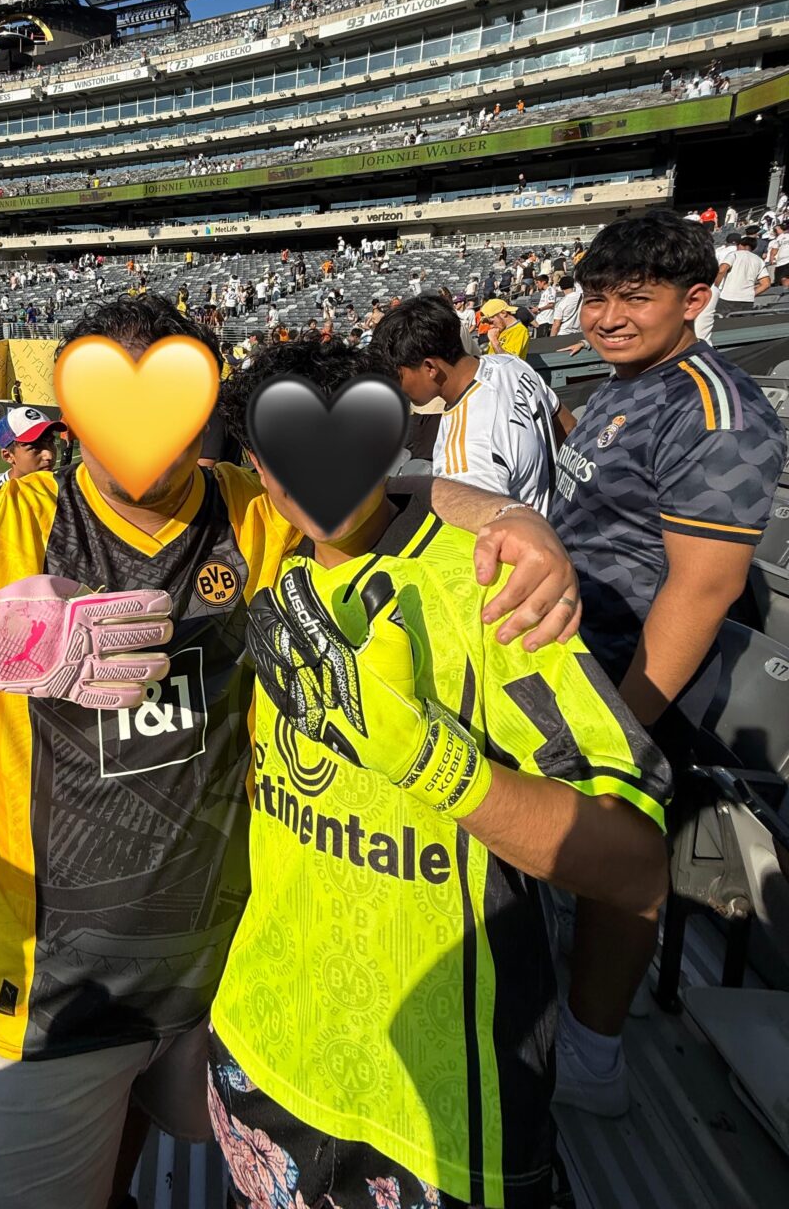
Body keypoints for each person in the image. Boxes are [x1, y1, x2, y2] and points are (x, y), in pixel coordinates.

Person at [0, 294, 583, 1209]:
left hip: (225, 983)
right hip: (48, 1002)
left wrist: (507, 517)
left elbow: (385, 493)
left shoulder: (252, 509)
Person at [209, 338, 669, 1209]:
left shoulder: (488, 583)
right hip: (259, 1050)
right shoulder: (273, 571)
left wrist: (435, 763)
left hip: (435, 1112)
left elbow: (635, 863)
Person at [548, 210, 785, 1115]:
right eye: (597, 296)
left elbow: (704, 586)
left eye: (633, 298)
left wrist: (627, 717)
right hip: (577, 658)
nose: (606, 316)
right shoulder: (624, 381)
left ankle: (594, 1054)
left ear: (696, 298)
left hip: (638, 680)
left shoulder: (712, 406)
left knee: (623, 864)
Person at [373, 296, 574, 514]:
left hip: (538, 539)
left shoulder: (466, 451)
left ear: (430, 367)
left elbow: (491, 537)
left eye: (397, 375)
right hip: (562, 520)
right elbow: (569, 427)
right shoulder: (510, 365)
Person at [0, 407, 66, 491]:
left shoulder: (64, 484)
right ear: (8, 456)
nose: (49, 455)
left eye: (51, 442)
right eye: (35, 447)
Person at [714, 234, 770, 314]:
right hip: (747, 300)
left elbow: (721, 270)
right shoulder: (758, 260)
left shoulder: (734, 255)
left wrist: (715, 287)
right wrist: (751, 293)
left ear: (739, 245)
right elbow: (766, 284)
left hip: (728, 298)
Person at [532, 274, 559, 338]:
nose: (536, 285)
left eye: (537, 282)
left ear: (543, 282)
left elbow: (551, 304)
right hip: (540, 321)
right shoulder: (544, 292)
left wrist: (539, 309)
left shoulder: (550, 290)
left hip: (546, 321)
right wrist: (536, 309)